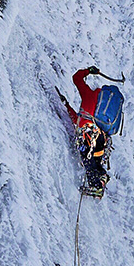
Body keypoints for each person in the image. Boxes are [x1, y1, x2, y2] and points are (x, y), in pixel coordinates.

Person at [57, 66, 110, 194]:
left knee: (86, 157)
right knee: (94, 161)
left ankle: (95, 185)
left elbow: (77, 78)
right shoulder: (105, 112)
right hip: (101, 140)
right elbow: (80, 119)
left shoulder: (88, 95)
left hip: (88, 136)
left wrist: (88, 71)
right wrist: (67, 106)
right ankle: (102, 177)